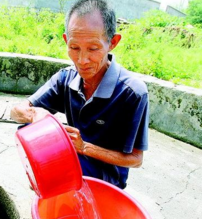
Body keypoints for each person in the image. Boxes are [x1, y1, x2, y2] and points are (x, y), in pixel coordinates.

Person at [10, 0, 149, 189]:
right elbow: (17, 112)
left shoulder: (132, 93)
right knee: (28, 130)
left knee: (60, 170)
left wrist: (84, 147)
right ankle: (47, 183)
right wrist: (34, 115)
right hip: (75, 156)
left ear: (113, 42)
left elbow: (135, 159)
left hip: (107, 174)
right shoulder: (66, 78)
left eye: (93, 49)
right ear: (66, 41)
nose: (82, 60)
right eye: (74, 48)